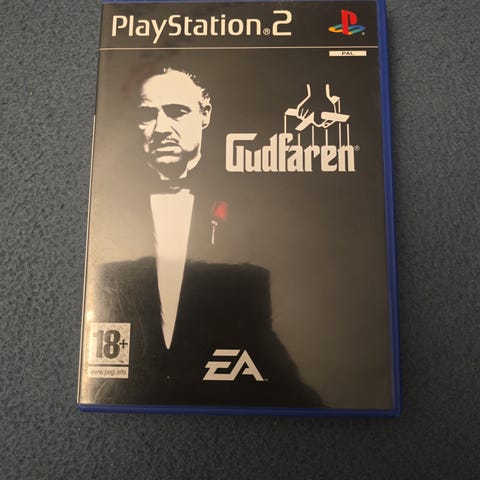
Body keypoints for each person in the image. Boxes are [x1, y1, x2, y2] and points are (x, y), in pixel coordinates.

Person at [87, 67, 323, 408]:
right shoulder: (108, 212)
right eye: (148, 115)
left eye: (177, 111)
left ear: (205, 114)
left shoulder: (256, 211)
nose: (161, 128)